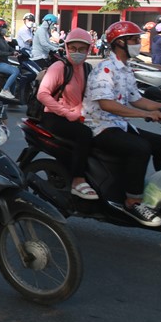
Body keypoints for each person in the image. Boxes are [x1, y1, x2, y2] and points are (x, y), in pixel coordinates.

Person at [83, 21, 161, 227]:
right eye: (134, 39)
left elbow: (136, 98)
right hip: (99, 126)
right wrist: (144, 115)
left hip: (119, 124)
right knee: (140, 148)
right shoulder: (105, 69)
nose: (138, 43)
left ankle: (158, 196)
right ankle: (133, 202)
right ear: (120, 42)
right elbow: (106, 104)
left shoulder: (126, 69)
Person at [37, 28, 97, 199]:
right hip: (53, 116)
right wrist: (66, 112)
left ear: (88, 49)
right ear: (66, 47)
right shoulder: (59, 67)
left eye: (81, 49)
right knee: (84, 134)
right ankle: (78, 180)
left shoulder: (87, 68)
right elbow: (42, 94)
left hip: (77, 115)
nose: (77, 52)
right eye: (73, 48)